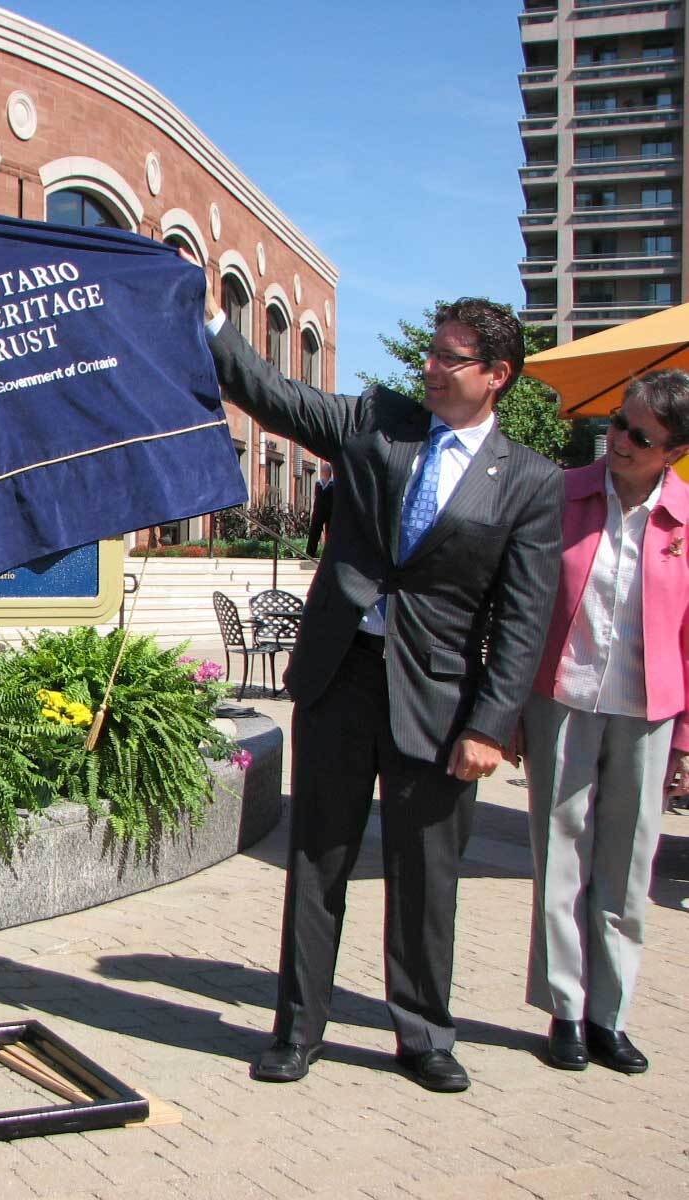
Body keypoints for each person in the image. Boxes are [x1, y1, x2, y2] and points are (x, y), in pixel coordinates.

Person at [201, 280, 563, 1092]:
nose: (428, 367)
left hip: (440, 701)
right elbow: (273, 394)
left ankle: (424, 1034)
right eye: (429, 352)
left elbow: (524, 616)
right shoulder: (377, 421)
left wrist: (491, 724)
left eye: (448, 358)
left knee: (427, 873)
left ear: (496, 374)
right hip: (341, 676)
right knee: (317, 858)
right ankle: (298, 1030)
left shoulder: (530, 481)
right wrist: (211, 320)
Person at [521, 370, 689, 1075]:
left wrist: (686, 741)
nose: (618, 440)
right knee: (561, 858)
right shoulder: (562, 495)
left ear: (673, 451)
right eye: (618, 423)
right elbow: (522, 603)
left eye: (639, 436)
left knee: (626, 867)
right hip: (561, 698)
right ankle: (564, 1009)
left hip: (649, 713)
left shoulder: (686, 519)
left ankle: (608, 1016)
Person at [305, 461, 334, 556]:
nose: (324, 472)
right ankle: (310, 553)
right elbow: (315, 497)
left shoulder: (333, 484)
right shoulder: (318, 483)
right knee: (314, 532)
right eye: (323, 470)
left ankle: (329, 554)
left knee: (330, 534)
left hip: (330, 511)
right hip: (318, 511)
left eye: (326, 470)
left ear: (329, 472)